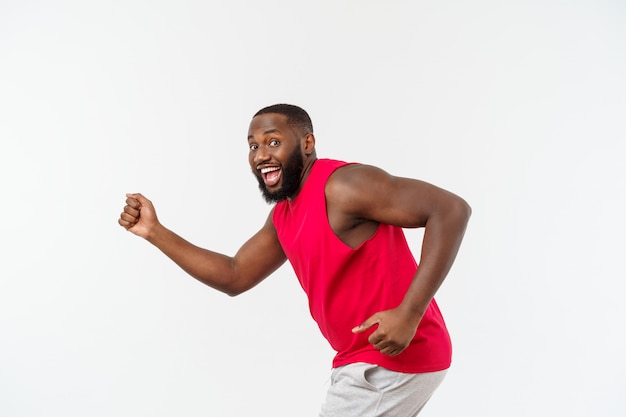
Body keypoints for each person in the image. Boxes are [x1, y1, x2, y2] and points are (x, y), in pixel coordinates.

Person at [118, 103, 471, 416]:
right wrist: (155, 231)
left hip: (391, 361)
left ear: (307, 143)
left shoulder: (345, 185)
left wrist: (409, 315)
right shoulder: (284, 217)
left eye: (273, 141)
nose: (260, 154)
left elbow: (450, 210)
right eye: (253, 146)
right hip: (361, 359)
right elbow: (235, 274)